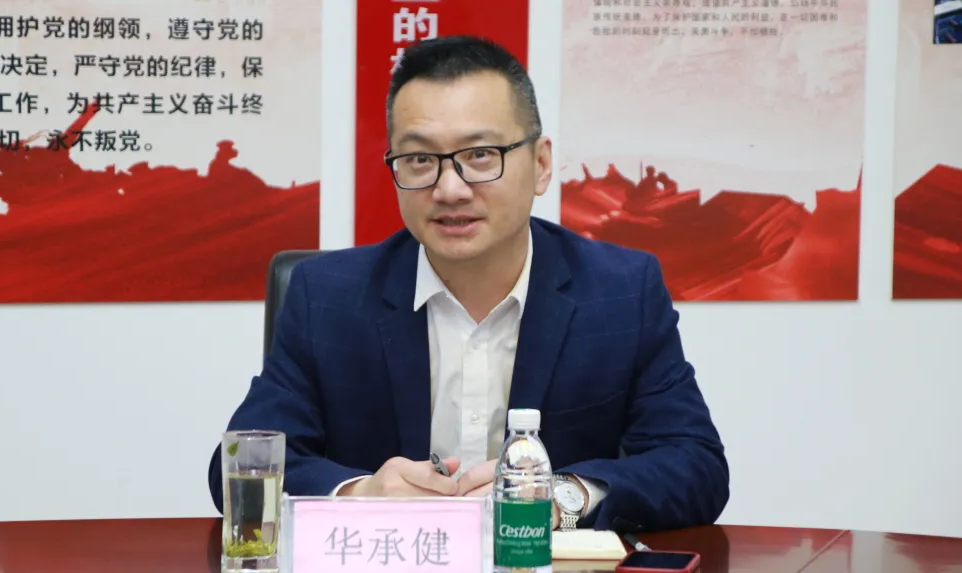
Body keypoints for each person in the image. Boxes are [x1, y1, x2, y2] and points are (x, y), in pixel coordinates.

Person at [208, 35, 728, 533]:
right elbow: (238, 464)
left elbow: (696, 464)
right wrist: (359, 494)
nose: (450, 189)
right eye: (420, 159)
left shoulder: (622, 292)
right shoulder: (326, 296)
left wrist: (562, 495)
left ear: (541, 164)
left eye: (480, 155)